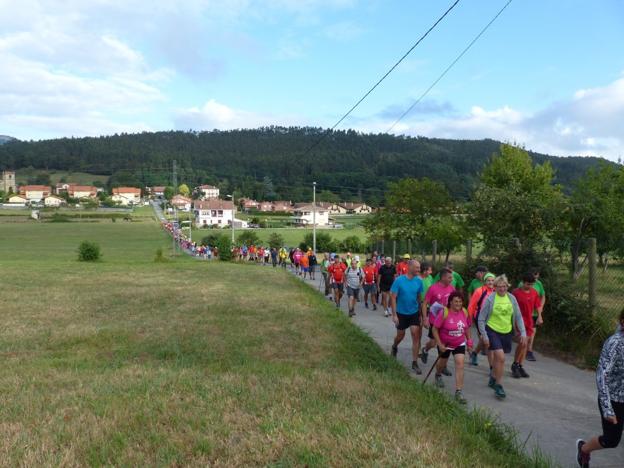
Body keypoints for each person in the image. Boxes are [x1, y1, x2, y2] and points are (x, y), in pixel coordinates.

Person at [576, 308, 624, 468]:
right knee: (612, 440)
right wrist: (607, 408)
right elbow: (602, 375)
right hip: (614, 399)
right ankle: (583, 449)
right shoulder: (615, 343)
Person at [478, 275, 527, 400]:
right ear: (494, 288)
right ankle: (499, 386)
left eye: (504, 286)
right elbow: (481, 318)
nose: (502, 289)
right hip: (492, 330)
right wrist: (484, 335)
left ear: (507, 286)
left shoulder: (511, 298)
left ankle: (493, 376)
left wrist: (523, 332)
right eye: (499, 287)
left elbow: (518, 317)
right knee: (501, 357)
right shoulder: (490, 299)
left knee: (498, 359)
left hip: (506, 332)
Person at [432, 291, 473, 404]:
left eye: (460, 301)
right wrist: (439, 344)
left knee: (460, 364)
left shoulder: (464, 312)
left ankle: (458, 391)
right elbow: (434, 329)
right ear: (450, 302)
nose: (458, 304)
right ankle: (438, 374)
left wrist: (469, 342)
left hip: (459, 342)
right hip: (445, 344)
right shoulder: (444, 313)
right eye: (456, 301)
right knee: (441, 363)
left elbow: (467, 328)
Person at [390, 260, 425, 375]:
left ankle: (414, 362)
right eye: (417, 268)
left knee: (415, 335)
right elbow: (393, 298)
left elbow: (420, 298)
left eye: (419, 268)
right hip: (401, 313)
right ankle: (395, 346)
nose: (419, 270)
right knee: (401, 335)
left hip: (414, 312)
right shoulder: (399, 280)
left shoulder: (419, 281)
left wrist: (422, 315)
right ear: (409, 267)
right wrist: (394, 315)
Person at [420, 268, 456, 373]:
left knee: (445, 344)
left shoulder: (452, 288)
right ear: (443, 277)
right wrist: (425, 318)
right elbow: (425, 303)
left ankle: (443, 366)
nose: (451, 279)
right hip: (434, 320)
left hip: (446, 321)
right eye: (449, 277)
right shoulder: (433, 288)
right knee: (433, 342)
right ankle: (425, 350)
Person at [511, 274, 542, 378]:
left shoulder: (534, 292)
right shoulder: (516, 293)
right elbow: (510, 308)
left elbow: (537, 305)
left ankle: (520, 365)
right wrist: (512, 323)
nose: (530, 286)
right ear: (523, 282)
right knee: (522, 343)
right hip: (519, 321)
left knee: (526, 343)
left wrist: (539, 316)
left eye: (532, 284)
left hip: (529, 321)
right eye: (528, 284)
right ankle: (515, 364)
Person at [468, 272, 496, 366]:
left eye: (492, 280)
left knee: (483, 340)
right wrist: (469, 318)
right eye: (488, 280)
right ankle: (492, 367)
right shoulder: (479, 291)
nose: (490, 282)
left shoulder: (496, 291)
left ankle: (474, 353)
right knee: (486, 340)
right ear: (485, 281)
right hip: (480, 317)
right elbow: (472, 305)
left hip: (492, 318)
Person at [523, 268, 546, 362]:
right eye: (534, 276)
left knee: (532, 331)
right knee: (525, 333)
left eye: (537, 276)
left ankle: (529, 351)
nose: (536, 278)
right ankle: (523, 350)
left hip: (535, 312)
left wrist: (540, 310)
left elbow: (543, 296)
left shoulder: (539, 284)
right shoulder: (523, 285)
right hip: (525, 313)